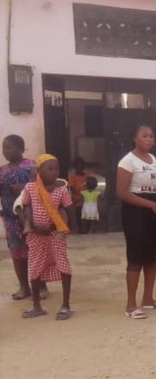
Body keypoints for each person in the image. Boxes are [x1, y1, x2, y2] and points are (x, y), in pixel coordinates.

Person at [116, 125, 156, 319]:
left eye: (151, 136)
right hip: (136, 213)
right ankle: (130, 305)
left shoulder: (153, 159)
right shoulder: (127, 161)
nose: (149, 139)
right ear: (135, 138)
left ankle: (148, 299)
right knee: (136, 257)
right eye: (144, 135)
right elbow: (122, 193)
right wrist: (152, 205)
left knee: (152, 256)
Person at [20, 154, 74, 321]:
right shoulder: (30, 188)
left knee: (63, 266)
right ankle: (37, 306)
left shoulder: (61, 189)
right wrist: (32, 226)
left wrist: (57, 227)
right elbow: (26, 206)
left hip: (55, 234)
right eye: (49, 169)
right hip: (36, 235)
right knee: (35, 268)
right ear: (39, 171)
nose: (54, 172)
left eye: (56, 169)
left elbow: (67, 209)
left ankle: (66, 305)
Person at [0, 134, 40, 300]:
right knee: (17, 253)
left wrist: (24, 188)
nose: (5, 151)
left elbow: (42, 187)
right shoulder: (2, 170)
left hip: (31, 216)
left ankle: (41, 286)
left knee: (35, 252)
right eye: (3, 148)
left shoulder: (32, 166)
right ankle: (24, 287)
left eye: (9, 147)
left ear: (21, 149)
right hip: (10, 218)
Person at [68, 157, 89, 233]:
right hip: (77, 198)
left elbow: (90, 185)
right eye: (78, 166)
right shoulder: (73, 177)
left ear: (84, 167)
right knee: (79, 214)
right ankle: (80, 229)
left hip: (86, 198)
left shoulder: (87, 176)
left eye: (81, 166)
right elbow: (72, 188)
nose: (80, 167)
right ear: (75, 167)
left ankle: (87, 229)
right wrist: (79, 196)